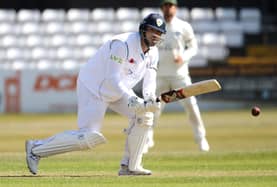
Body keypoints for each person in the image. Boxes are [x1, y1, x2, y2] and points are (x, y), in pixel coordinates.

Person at [25, 13, 166, 176]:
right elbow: (112, 79)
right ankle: (35, 149)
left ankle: (130, 167)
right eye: (152, 30)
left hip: (119, 92)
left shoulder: (153, 53)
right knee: (88, 137)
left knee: (145, 116)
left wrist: (149, 98)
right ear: (143, 30)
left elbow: (150, 80)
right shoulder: (122, 44)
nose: (155, 36)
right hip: (94, 88)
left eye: (159, 33)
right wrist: (135, 100)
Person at [154, 0, 210, 152]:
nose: (168, 8)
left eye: (171, 5)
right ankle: (146, 140)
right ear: (162, 8)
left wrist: (183, 57)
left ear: (175, 8)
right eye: (165, 5)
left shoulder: (184, 26)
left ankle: (201, 139)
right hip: (160, 76)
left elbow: (193, 47)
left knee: (191, 106)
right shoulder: (156, 25)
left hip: (180, 75)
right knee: (153, 108)